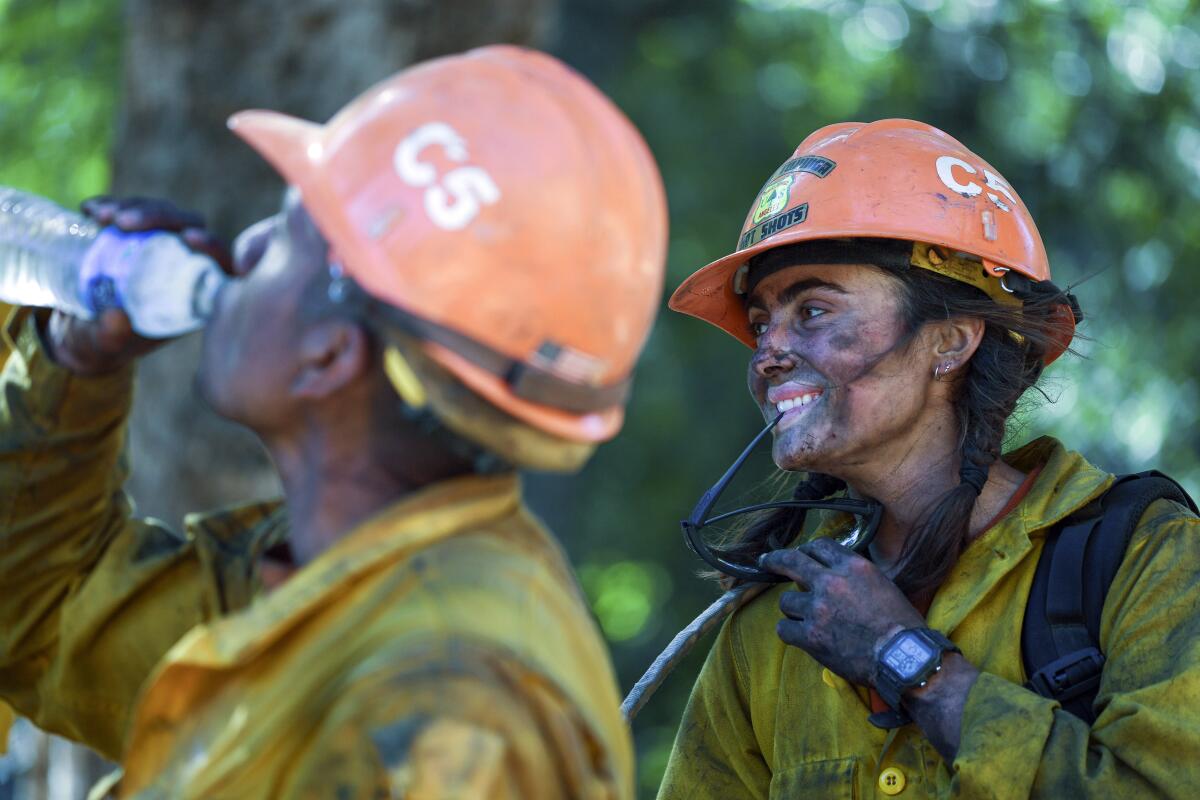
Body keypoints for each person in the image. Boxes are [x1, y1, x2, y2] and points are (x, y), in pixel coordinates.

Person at [0, 46, 667, 798]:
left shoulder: (453, 715)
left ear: (331, 355)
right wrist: (74, 362)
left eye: (286, 232)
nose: (242, 246)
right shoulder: (327, 580)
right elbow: (44, 618)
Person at [657, 119, 1200, 797]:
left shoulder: (1143, 557)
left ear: (950, 341)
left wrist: (905, 658)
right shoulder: (776, 623)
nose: (768, 353)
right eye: (762, 321)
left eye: (815, 311)